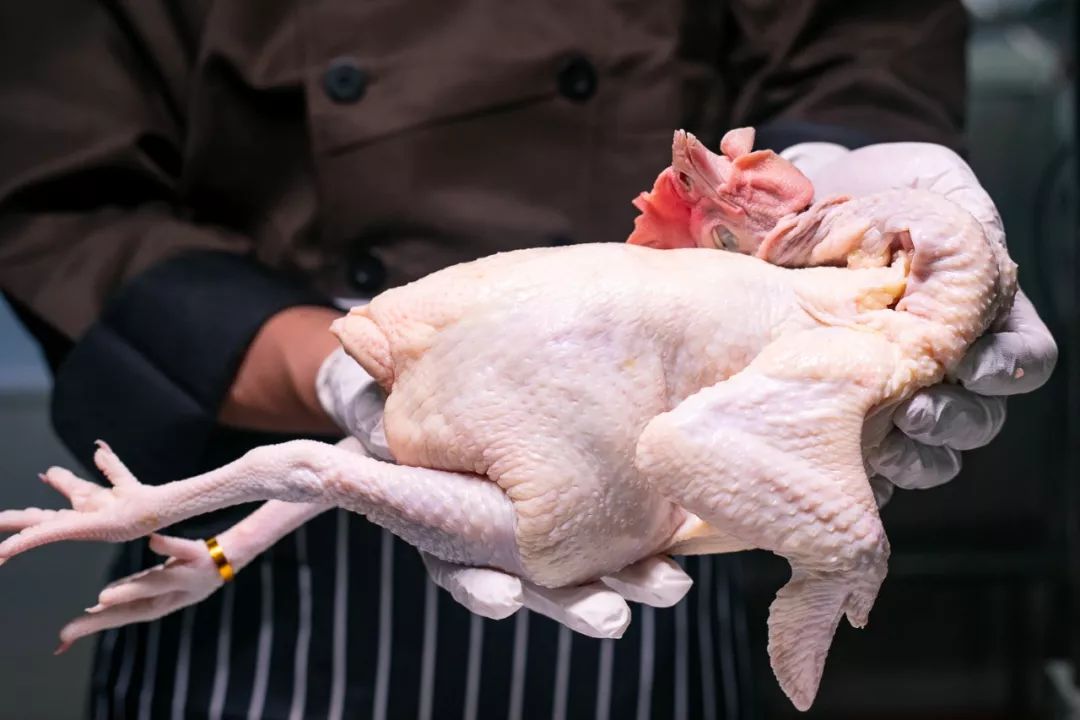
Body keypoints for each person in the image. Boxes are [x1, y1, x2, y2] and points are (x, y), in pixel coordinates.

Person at [0, 1, 1057, 719]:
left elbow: (854, 41)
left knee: (342, 476)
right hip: (268, 585)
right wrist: (329, 377)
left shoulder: (838, 312)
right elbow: (65, 198)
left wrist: (832, 169)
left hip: (626, 546)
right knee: (330, 467)